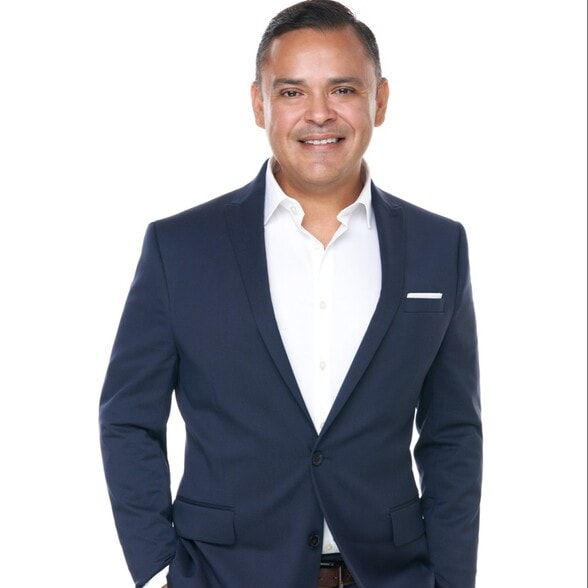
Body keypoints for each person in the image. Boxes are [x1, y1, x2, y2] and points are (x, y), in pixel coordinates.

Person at [99, 1, 483, 586]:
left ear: (380, 100)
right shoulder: (179, 248)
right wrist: (156, 570)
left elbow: (453, 433)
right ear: (259, 104)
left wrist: (452, 580)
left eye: (344, 89)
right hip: (223, 575)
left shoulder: (439, 245)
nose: (319, 114)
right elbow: (129, 418)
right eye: (292, 92)